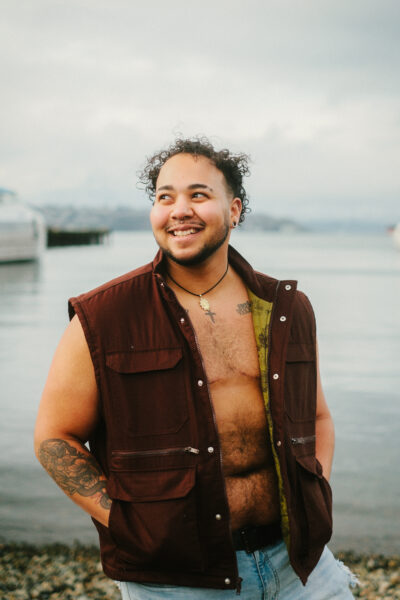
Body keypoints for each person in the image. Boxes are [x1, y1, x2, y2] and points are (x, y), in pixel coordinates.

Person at [34, 137, 356, 598]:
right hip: (175, 578)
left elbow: (317, 417)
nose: (179, 210)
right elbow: (53, 438)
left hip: (299, 564)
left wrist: (314, 493)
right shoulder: (104, 317)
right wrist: (130, 524)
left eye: (198, 195)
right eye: (165, 197)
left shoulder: (286, 309)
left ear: (235, 210)